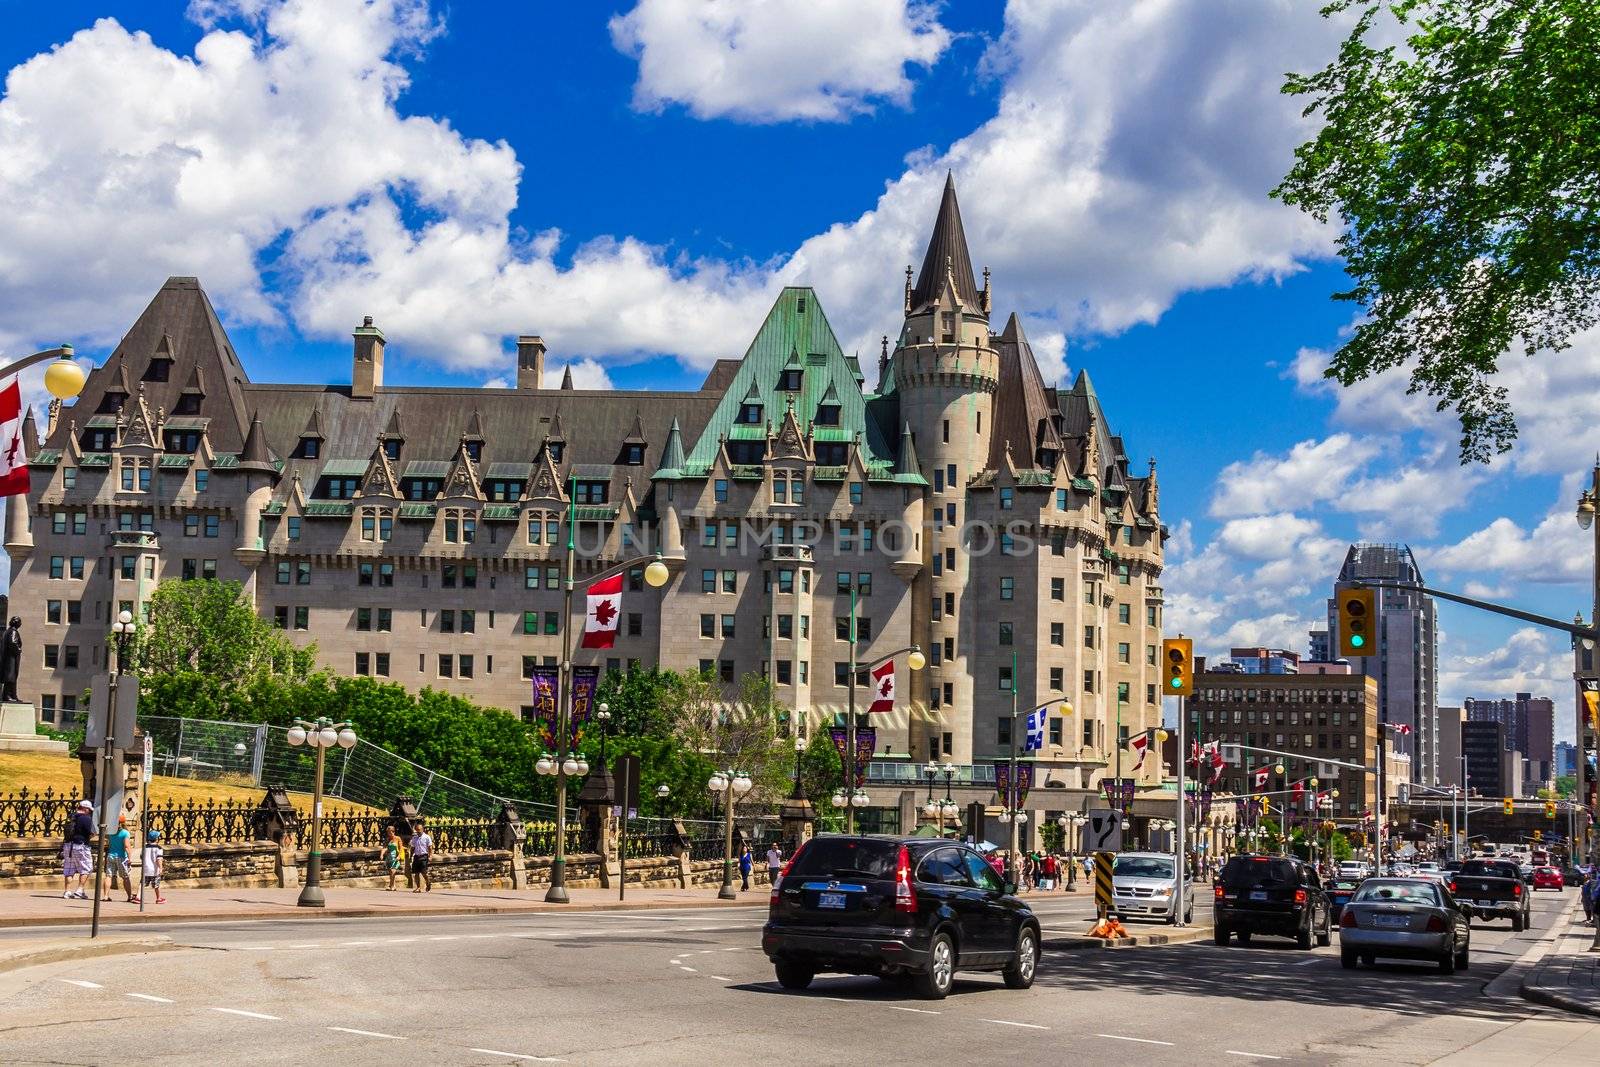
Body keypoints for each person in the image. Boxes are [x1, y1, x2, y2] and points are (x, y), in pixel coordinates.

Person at [62, 799, 95, 900]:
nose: (90, 812)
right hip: (81, 846)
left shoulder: (71, 816)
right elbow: (91, 832)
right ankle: (80, 890)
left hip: (68, 845)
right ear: (85, 809)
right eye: (89, 810)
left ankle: (67, 891)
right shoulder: (86, 818)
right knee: (86, 867)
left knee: (69, 869)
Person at [107, 815, 137, 903]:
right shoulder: (125, 833)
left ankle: (105, 896)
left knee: (108, 876)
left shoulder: (111, 832)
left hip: (111, 855)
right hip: (121, 857)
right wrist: (130, 858)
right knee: (125, 877)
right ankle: (129, 896)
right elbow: (127, 846)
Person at [409, 820, 433, 892]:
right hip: (416, 856)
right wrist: (411, 856)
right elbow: (413, 847)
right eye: (417, 830)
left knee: (424, 872)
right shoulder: (414, 838)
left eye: (419, 830)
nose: (418, 831)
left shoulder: (426, 837)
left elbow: (430, 847)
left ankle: (428, 883)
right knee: (416, 873)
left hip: (424, 856)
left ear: (423, 829)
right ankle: (418, 887)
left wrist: (430, 855)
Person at [142, 830, 165, 904]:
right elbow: (159, 859)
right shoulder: (158, 848)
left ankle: (138, 897)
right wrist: (161, 867)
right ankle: (158, 898)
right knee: (156, 885)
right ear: (157, 838)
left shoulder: (145, 847)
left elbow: (141, 857)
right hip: (155, 870)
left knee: (142, 884)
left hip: (146, 870)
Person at [383, 825, 403, 891]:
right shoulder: (387, 839)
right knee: (390, 872)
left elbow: (401, 848)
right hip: (389, 857)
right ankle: (393, 885)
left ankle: (391, 886)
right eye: (388, 832)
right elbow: (385, 848)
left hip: (395, 857)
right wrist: (383, 853)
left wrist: (399, 856)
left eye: (390, 832)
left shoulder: (398, 838)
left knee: (393, 871)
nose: (389, 833)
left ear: (393, 831)